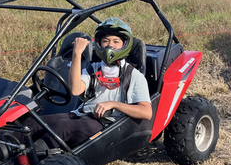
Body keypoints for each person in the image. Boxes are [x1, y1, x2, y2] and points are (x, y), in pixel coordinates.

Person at [25, 17, 152, 147]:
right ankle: (6, 152)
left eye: (116, 41)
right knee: (33, 124)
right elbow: (75, 89)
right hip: (82, 115)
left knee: (62, 127)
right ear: (99, 43)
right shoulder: (93, 68)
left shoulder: (134, 75)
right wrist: (77, 54)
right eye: (105, 41)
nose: (110, 45)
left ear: (125, 45)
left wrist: (113, 104)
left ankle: (29, 161)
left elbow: (146, 112)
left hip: (107, 124)